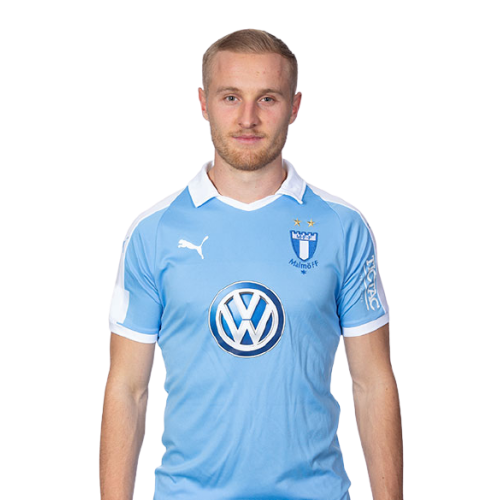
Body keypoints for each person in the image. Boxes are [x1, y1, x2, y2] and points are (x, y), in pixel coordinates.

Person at [100, 28, 403, 500]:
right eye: (230, 97)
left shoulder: (343, 226)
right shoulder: (152, 230)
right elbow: (128, 389)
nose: (248, 118)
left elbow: (371, 382)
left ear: (295, 106)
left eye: (267, 98)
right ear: (202, 103)